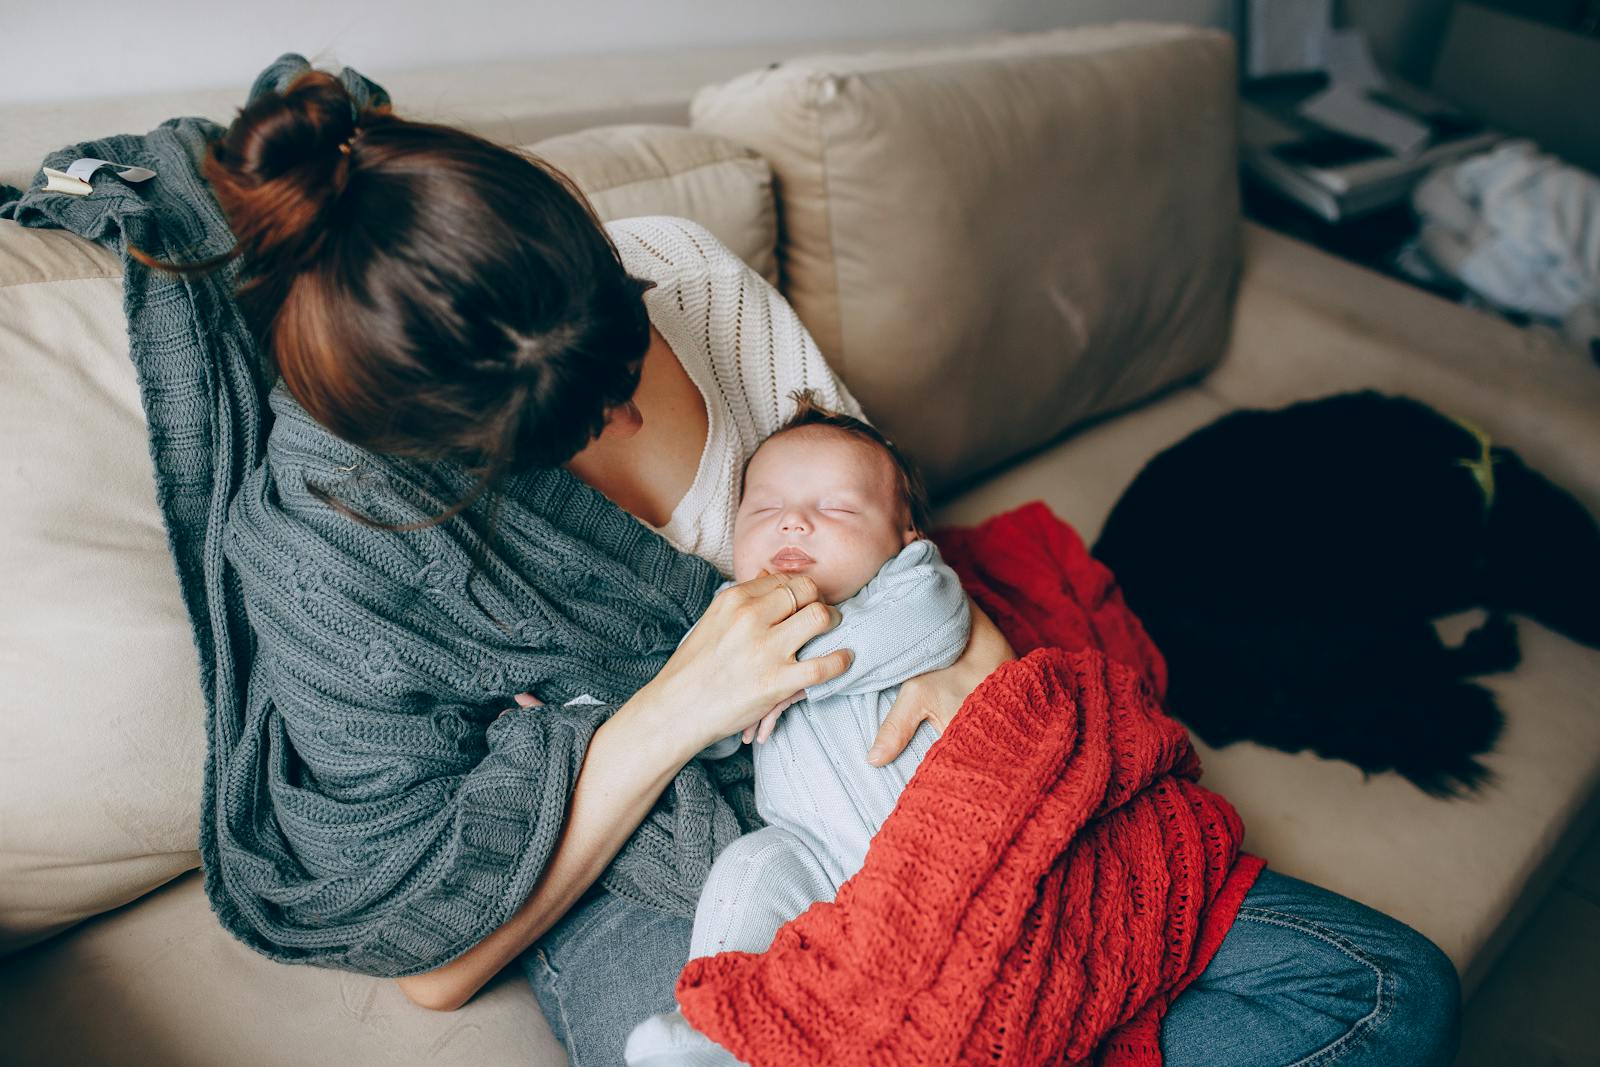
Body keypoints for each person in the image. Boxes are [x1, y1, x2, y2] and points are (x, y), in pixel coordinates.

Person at [196, 68, 1460, 1067]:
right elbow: (436, 961)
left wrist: (978, 659)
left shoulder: (683, 272)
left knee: (1386, 988)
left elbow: (880, 521)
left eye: (620, 359)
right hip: (662, 857)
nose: (629, 422)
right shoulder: (333, 542)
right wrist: (684, 702)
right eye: (567, 435)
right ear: (450, 457)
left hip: (877, 746)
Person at [624, 397, 970, 1064]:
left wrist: (778, 673)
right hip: (820, 865)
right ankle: (718, 1029)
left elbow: (933, 622)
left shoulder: (912, 584)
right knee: (751, 866)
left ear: (906, 537)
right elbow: (699, 725)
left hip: (942, 845)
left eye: (835, 508)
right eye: (764, 508)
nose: (793, 519)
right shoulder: (732, 620)